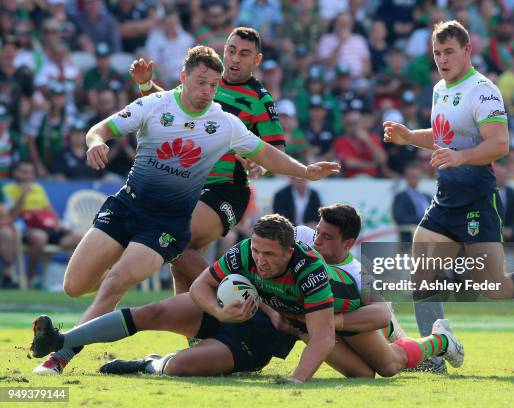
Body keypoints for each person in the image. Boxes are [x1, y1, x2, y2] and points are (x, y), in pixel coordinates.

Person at [33, 45, 339, 375]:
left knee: (116, 283)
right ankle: (108, 280)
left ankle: (59, 355)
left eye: (214, 84)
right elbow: (100, 129)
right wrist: (95, 143)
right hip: (126, 205)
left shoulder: (225, 123)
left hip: (166, 223)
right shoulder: (155, 104)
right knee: (75, 286)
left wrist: (305, 170)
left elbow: (267, 154)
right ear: (183, 78)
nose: (208, 91)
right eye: (201, 83)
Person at [30, 214, 463, 382]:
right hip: (260, 317)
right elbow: (203, 283)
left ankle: (438, 340)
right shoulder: (251, 251)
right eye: (256, 251)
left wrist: (297, 376)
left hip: (305, 329)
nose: (260, 259)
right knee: (155, 308)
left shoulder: (325, 272)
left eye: (268, 255)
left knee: (380, 369)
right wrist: (221, 308)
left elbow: (369, 317)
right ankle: (63, 343)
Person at [382, 20, 514, 341]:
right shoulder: (440, 89)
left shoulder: (483, 90)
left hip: (475, 200)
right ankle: (435, 352)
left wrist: (459, 157)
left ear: (468, 50)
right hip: (445, 198)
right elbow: (446, 136)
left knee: (497, 287)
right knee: (422, 275)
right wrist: (410, 136)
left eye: (449, 52)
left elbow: (499, 144)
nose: (442, 59)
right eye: (437, 53)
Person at [131, 27, 286, 295]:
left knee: (173, 240)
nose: (235, 59)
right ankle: (197, 332)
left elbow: (277, 151)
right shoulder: (207, 79)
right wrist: (146, 85)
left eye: (245, 54)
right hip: (188, 184)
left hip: (226, 189)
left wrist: (259, 165)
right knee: (180, 261)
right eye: (232, 51)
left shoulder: (260, 99)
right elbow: (170, 109)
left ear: (256, 60)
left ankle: (240, 297)